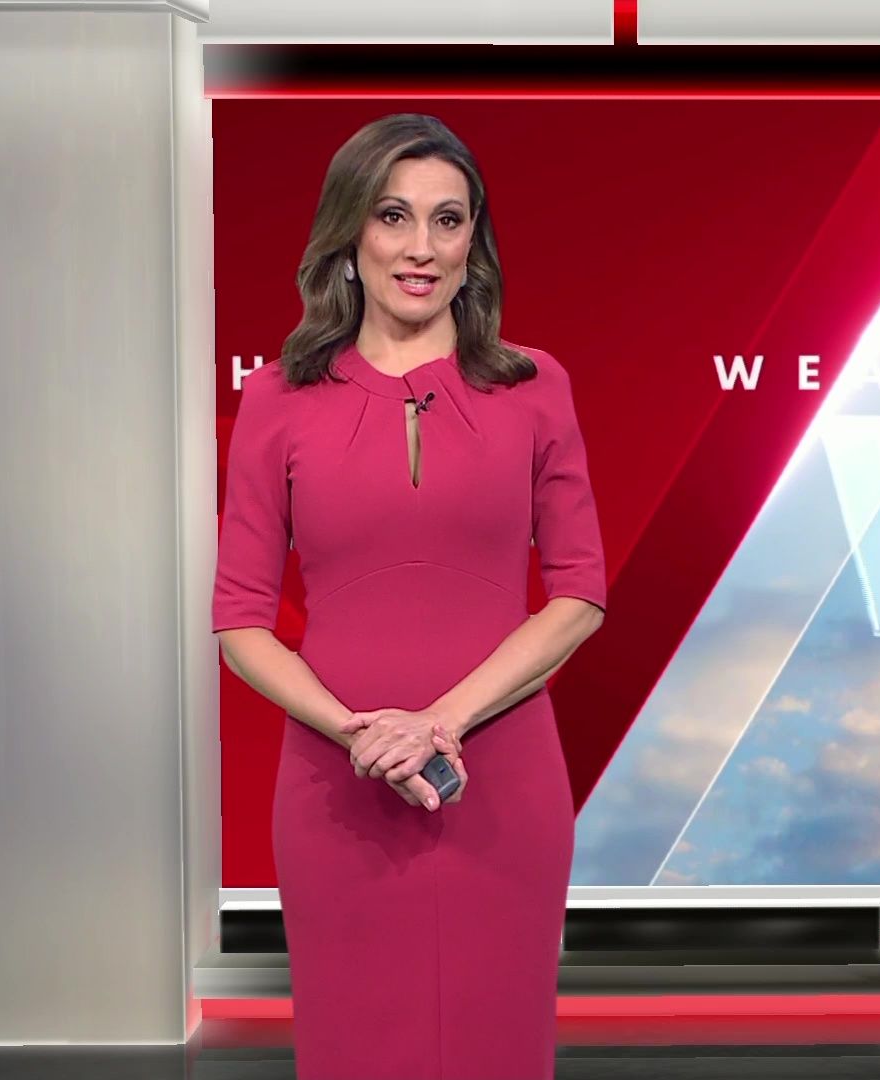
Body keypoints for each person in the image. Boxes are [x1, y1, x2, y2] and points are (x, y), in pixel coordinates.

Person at [212, 112, 606, 1079]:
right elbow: (240, 621)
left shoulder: (536, 387)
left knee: (496, 1039)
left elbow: (580, 593)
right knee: (357, 1043)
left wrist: (439, 722)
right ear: (350, 234)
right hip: (339, 781)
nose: (420, 246)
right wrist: (359, 733)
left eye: (447, 219)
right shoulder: (276, 399)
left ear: (474, 245)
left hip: (500, 775)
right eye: (393, 216)